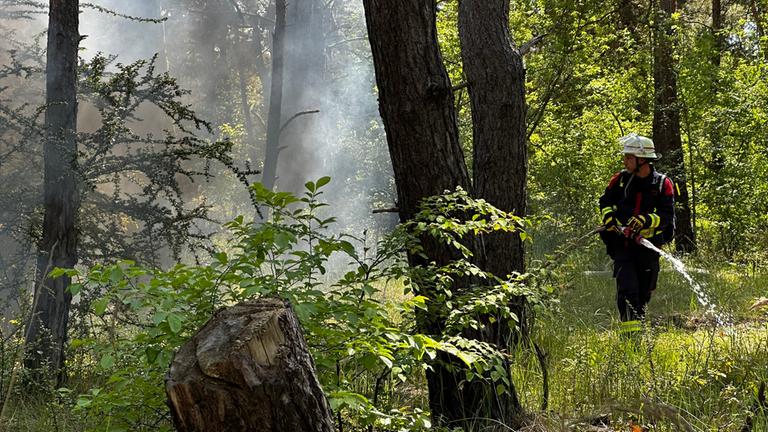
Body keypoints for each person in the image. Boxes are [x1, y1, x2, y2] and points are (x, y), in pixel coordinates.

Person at [599, 133, 675, 333]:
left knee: (643, 293)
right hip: (623, 247)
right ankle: (630, 337)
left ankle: (637, 329)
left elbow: (667, 216)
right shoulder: (620, 180)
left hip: (648, 249)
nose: (625, 161)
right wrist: (609, 218)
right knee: (626, 290)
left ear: (642, 160)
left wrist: (646, 220)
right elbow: (605, 201)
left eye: (629, 157)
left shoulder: (662, 184)